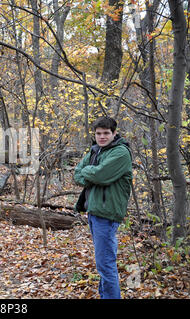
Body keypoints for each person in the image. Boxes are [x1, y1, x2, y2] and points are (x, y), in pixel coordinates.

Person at [74, 116, 133, 299]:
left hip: (107, 215)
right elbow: (77, 173)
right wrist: (90, 173)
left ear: (114, 133)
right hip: (94, 212)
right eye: (98, 133)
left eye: (106, 133)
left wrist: (90, 173)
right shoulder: (95, 151)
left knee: (106, 264)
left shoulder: (120, 153)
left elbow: (99, 176)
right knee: (103, 264)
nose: (102, 137)